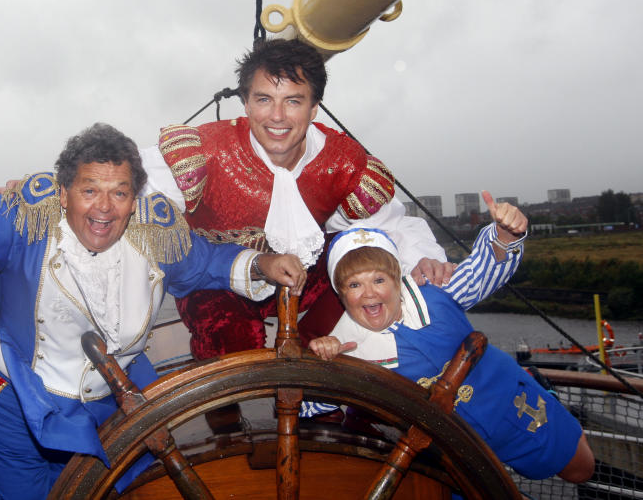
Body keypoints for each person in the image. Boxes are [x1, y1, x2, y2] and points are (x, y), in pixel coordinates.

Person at [0, 123, 308, 499]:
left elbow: (205, 262)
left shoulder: (157, 231)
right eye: (89, 189)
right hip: (21, 394)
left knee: (114, 490)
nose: (104, 208)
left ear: (134, 198)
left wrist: (263, 263)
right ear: (64, 192)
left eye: (119, 193)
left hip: (114, 398)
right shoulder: (25, 217)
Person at [139, 38, 451, 362]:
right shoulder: (204, 151)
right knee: (232, 338)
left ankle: (316, 366)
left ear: (313, 108)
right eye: (264, 99)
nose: (277, 116)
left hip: (305, 279)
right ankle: (225, 413)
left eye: (293, 101)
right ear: (245, 103)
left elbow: (389, 226)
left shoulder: (343, 161)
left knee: (356, 259)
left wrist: (423, 260)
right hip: (217, 283)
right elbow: (130, 188)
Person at [305, 191, 595, 483]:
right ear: (341, 295)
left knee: (581, 471)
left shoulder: (434, 293)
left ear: (397, 280)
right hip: (449, 451)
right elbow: (304, 406)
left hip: (510, 401)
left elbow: (480, 272)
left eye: (379, 279)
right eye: (354, 284)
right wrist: (325, 365)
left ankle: (539, 386)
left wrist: (505, 236)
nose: (369, 293)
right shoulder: (349, 350)